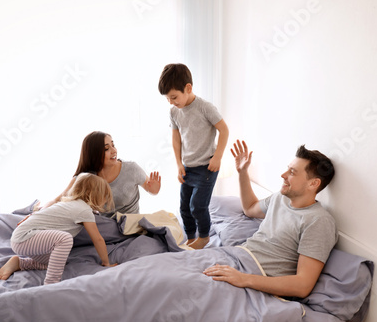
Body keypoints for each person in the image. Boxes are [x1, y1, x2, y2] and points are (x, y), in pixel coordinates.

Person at [204, 140, 337, 298]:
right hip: (236, 257)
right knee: (172, 267)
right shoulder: (280, 198)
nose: (283, 175)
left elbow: (303, 286)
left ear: (313, 183)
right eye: (288, 169)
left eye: (292, 172)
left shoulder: (318, 221)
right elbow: (250, 208)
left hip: (253, 276)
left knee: (182, 288)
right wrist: (242, 172)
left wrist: (243, 279)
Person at [158, 63, 229, 250]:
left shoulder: (205, 107)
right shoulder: (174, 111)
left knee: (197, 206)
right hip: (188, 166)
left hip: (207, 166)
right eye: (167, 98)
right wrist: (179, 164)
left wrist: (218, 157)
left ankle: (204, 237)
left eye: (174, 97)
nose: (171, 102)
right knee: (184, 207)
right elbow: (176, 138)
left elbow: (224, 130)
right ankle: (191, 238)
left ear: (188, 88)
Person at [0, 173, 116, 285]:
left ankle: (19, 263)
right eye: (105, 197)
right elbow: (98, 239)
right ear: (95, 195)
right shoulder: (84, 210)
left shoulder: (70, 203)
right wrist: (106, 263)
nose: (105, 201)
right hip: (24, 238)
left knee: (57, 261)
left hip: (22, 238)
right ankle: (51, 283)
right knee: (65, 239)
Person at [41, 131, 161, 217]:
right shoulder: (86, 179)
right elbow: (57, 200)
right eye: (106, 149)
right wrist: (38, 214)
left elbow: (152, 190)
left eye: (113, 145)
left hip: (131, 227)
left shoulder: (131, 169)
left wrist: (154, 189)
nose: (114, 151)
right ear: (94, 154)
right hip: (106, 230)